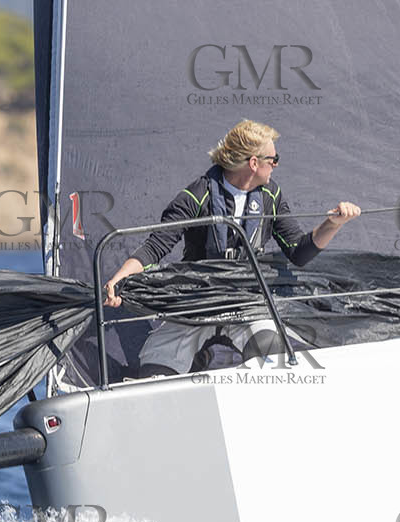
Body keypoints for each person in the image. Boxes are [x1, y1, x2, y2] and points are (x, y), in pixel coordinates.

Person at [103, 120, 360, 375]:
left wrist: (332, 224)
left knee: (273, 355)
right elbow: (155, 247)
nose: (276, 165)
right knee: (155, 372)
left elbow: (298, 252)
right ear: (254, 163)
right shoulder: (197, 195)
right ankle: (197, 358)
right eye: (274, 159)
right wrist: (119, 279)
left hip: (247, 301)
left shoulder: (271, 195)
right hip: (195, 303)